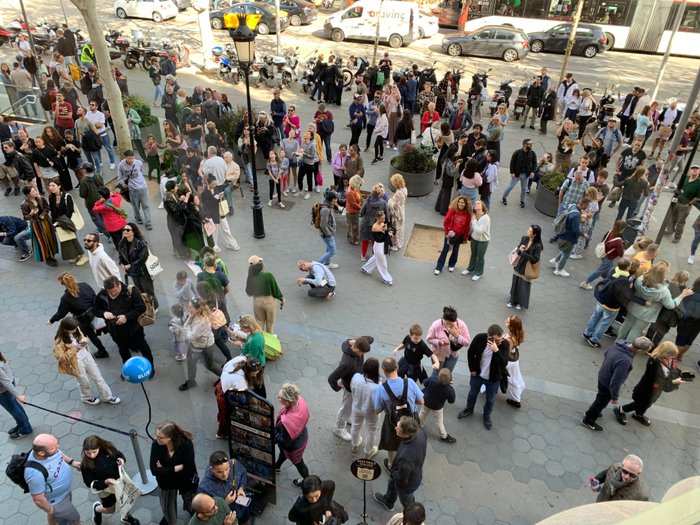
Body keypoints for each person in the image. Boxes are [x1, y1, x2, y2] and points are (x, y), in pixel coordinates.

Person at [581, 337, 654, 431]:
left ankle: (591, 412)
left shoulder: (618, 343)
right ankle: (588, 420)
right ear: (639, 350)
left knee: (600, 399)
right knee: (601, 402)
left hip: (603, 375)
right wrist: (615, 397)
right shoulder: (626, 360)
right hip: (607, 384)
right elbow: (616, 381)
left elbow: (606, 353)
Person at [617, 262, 694, 342]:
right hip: (646, 314)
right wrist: (682, 295)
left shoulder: (641, 278)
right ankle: (626, 347)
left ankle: (618, 341)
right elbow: (670, 305)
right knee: (636, 330)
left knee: (626, 325)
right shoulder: (663, 291)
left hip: (633, 307)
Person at [614, 341, 685, 427]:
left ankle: (638, 414)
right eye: (671, 355)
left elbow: (672, 370)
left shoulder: (668, 360)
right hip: (645, 390)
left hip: (655, 390)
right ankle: (621, 410)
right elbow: (657, 379)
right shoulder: (654, 361)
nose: (672, 358)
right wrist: (673, 382)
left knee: (648, 403)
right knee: (639, 403)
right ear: (665, 353)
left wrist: (681, 374)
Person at [52, 317, 119, 406]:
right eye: (72, 329)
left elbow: (82, 336)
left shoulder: (76, 329)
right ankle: (87, 397)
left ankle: (107, 396)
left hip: (86, 356)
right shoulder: (59, 342)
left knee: (98, 378)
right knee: (84, 381)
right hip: (76, 362)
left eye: (76, 328)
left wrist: (84, 340)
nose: (75, 330)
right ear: (65, 329)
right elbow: (61, 358)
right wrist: (75, 349)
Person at [94, 275, 155, 371]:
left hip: (134, 328)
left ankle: (150, 368)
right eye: (110, 292)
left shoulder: (129, 291)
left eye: (115, 290)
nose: (113, 293)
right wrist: (104, 313)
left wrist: (126, 317)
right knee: (123, 351)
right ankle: (128, 370)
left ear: (119, 285)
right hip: (115, 331)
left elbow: (141, 307)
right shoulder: (102, 295)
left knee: (143, 347)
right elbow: (96, 310)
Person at [374, 358, 424, 471]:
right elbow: (422, 401)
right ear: (397, 367)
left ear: (384, 371)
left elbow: (377, 410)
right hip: (411, 419)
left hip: (392, 422)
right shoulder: (410, 382)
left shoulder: (381, 389)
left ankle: (391, 465)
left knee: (392, 445)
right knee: (411, 440)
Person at [458, 324, 509, 430]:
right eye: (497, 340)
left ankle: (486, 415)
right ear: (489, 337)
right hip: (477, 375)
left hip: (493, 379)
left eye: (501, 339)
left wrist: (496, 351)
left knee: (490, 399)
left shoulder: (504, 345)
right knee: (472, 393)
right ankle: (469, 409)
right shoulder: (479, 338)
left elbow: (503, 363)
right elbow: (470, 353)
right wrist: (472, 369)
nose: (500, 342)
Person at [80, 435, 140, 525]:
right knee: (110, 510)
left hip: (118, 482)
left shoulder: (108, 448)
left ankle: (127, 517)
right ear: (84, 451)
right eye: (88, 453)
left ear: (99, 447)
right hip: (105, 489)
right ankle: (97, 509)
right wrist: (105, 482)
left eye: (94, 452)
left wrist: (121, 460)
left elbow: (119, 455)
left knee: (126, 502)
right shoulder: (85, 465)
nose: (91, 455)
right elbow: (89, 483)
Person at [24, 433, 82, 525]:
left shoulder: (49, 452)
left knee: (54, 517)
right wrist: (51, 510)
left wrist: (72, 462)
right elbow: (38, 499)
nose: (58, 447)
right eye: (54, 447)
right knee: (75, 521)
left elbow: (59, 454)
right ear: (41, 453)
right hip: (58, 502)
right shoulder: (34, 474)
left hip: (65, 493)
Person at [48, 271, 109, 358]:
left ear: (63, 284)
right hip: (95, 312)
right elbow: (94, 296)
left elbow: (61, 313)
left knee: (90, 335)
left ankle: (102, 351)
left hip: (83, 319)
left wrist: (51, 320)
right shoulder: (84, 285)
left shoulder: (65, 298)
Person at [373, 416, 427, 511]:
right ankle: (388, 501)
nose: (395, 429)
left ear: (406, 434)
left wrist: (393, 473)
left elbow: (402, 479)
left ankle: (410, 514)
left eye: (398, 429)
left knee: (407, 502)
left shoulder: (405, 457)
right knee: (392, 485)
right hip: (413, 472)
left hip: (406, 484)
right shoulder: (420, 433)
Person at [150, 421, 198, 525]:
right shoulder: (156, 445)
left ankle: (194, 515)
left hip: (186, 480)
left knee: (192, 503)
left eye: (160, 437)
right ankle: (170, 520)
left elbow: (189, 468)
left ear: (170, 437)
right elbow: (154, 470)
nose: (156, 439)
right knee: (168, 507)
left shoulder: (186, 444)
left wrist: (164, 469)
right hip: (166, 484)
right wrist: (175, 468)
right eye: (157, 435)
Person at [329, 335, 373, 442]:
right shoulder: (346, 363)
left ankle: (347, 418)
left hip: (355, 384)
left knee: (350, 407)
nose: (362, 355)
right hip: (349, 387)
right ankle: (339, 428)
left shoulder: (357, 345)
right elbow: (331, 378)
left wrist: (351, 341)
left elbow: (371, 339)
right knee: (345, 408)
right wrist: (338, 386)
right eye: (362, 353)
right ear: (357, 350)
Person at [178, 299, 222, 392]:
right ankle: (191, 381)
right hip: (197, 345)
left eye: (191, 307)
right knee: (191, 362)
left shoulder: (203, 321)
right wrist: (188, 324)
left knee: (210, 365)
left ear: (198, 309)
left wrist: (186, 329)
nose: (188, 309)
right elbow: (187, 325)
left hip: (204, 347)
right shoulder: (195, 314)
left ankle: (224, 377)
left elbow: (190, 336)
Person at [197, 451, 251, 525]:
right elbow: (206, 514)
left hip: (243, 509)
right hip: (228, 519)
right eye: (219, 472)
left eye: (227, 469)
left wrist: (241, 487)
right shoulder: (204, 488)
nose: (225, 474)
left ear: (229, 463)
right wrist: (225, 503)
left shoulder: (234, 464)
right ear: (211, 469)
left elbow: (243, 473)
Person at [274, 383, 310, 487]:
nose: (278, 397)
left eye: (280, 397)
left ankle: (307, 481)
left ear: (287, 402)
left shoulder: (287, 423)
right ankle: (276, 466)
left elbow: (284, 443)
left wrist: (274, 432)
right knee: (283, 453)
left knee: (299, 463)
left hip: (294, 447)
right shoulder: (299, 400)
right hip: (301, 434)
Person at [46, 178, 88, 265]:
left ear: (59, 186)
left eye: (53, 185)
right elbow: (53, 211)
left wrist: (63, 222)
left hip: (67, 221)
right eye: (50, 186)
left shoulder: (67, 196)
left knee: (73, 239)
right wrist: (55, 223)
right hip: (58, 222)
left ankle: (82, 256)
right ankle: (75, 256)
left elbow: (69, 210)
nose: (51, 187)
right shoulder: (51, 197)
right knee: (65, 240)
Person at [118, 222, 159, 310]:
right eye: (124, 229)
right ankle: (147, 305)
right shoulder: (122, 243)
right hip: (133, 272)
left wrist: (130, 265)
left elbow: (142, 258)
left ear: (134, 232)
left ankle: (154, 307)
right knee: (140, 290)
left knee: (148, 290)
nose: (125, 231)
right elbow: (121, 255)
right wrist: (121, 263)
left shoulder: (141, 243)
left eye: (128, 230)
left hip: (143, 271)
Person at [579, 220, 626, 290]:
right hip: (609, 258)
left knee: (608, 269)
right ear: (622, 229)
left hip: (604, 253)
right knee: (599, 271)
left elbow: (604, 239)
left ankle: (606, 281)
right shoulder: (618, 241)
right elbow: (621, 253)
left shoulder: (610, 231)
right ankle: (585, 282)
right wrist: (623, 246)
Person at [550, 197, 590, 277]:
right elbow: (576, 230)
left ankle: (555, 261)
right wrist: (583, 235)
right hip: (568, 237)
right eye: (588, 205)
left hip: (563, 234)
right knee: (566, 254)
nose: (588, 207)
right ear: (584, 205)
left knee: (565, 250)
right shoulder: (576, 215)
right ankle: (559, 270)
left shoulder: (573, 206)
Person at [350, 357, 381, 457]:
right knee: (371, 432)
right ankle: (368, 452)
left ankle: (355, 445)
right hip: (371, 412)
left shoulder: (356, 377)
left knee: (355, 426)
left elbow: (351, 389)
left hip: (357, 407)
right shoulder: (378, 386)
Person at [245, 255, 284, 334]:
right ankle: (269, 341)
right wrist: (281, 298)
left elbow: (249, 291)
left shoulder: (251, 277)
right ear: (260, 265)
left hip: (257, 302)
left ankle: (260, 339)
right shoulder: (268, 275)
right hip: (269, 301)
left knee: (259, 322)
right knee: (270, 324)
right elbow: (275, 289)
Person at [508, 225, 543, 309]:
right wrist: (520, 249)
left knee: (523, 285)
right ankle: (512, 300)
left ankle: (520, 302)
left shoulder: (538, 246)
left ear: (534, 234)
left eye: (530, 231)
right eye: (529, 230)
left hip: (527, 267)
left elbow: (535, 259)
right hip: (519, 264)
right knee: (515, 283)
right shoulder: (524, 238)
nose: (528, 231)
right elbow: (518, 249)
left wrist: (524, 253)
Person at [434, 196, 471, 275]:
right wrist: (447, 232)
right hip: (450, 235)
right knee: (445, 250)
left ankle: (452, 264)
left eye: (462, 203)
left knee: (455, 250)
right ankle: (439, 267)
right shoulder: (452, 210)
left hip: (459, 235)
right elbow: (446, 221)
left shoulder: (467, 214)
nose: (460, 204)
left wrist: (465, 238)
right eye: (459, 202)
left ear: (465, 204)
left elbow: (467, 227)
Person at [0, 351, 32, 439]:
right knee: (15, 407)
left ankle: (25, 429)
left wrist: (17, 396)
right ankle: (21, 424)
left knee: (14, 409)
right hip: (7, 385)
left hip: (4, 391)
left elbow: (6, 382)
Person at [419, 368, 456, 444]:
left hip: (426, 402)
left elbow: (424, 383)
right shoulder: (449, 389)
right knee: (439, 421)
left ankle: (419, 425)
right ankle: (443, 436)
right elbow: (451, 401)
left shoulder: (432, 380)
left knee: (422, 413)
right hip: (437, 407)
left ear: (438, 376)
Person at [118, 150, 152, 230]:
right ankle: (138, 218)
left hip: (143, 187)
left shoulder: (138, 163)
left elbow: (141, 172)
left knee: (146, 205)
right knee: (135, 206)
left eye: (132, 158)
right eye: (129, 158)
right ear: (125, 157)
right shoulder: (121, 165)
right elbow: (120, 177)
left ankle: (148, 222)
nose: (131, 160)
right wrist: (124, 184)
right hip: (132, 190)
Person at [361, 211, 394, 286]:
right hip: (379, 246)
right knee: (383, 263)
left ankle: (365, 269)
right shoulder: (375, 227)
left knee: (375, 258)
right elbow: (379, 239)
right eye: (382, 218)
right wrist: (386, 232)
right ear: (377, 218)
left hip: (381, 245)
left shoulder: (382, 224)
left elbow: (385, 233)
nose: (383, 220)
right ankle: (387, 279)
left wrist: (388, 232)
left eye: (384, 218)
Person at [502, 139, 537, 208]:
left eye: (531, 144)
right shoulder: (517, 152)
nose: (531, 145)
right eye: (529, 144)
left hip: (526, 175)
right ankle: (504, 197)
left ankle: (522, 201)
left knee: (524, 189)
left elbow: (534, 163)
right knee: (510, 187)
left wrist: (532, 171)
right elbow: (512, 163)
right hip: (517, 174)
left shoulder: (532, 153)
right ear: (524, 144)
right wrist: (512, 172)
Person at [669, 164, 700, 243]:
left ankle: (677, 237)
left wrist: (689, 204)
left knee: (680, 222)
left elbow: (697, 197)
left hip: (685, 205)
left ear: (699, 172)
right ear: (690, 170)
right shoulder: (686, 178)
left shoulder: (699, 183)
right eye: (693, 169)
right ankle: (670, 230)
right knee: (673, 218)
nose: (694, 170)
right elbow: (679, 187)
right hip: (677, 201)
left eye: (696, 169)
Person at [359, 183, 390, 260]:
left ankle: (363, 256)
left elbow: (361, 212)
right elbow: (387, 214)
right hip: (377, 224)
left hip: (366, 223)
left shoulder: (367, 201)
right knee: (374, 241)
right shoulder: (383, 202)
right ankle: (374, 256)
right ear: (380, 193)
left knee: (365, 241)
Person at [463, 200, 490, 280]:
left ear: (482, 207)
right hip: (474, 239)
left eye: (478, 203)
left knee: (480, 257)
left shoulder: (485, 218)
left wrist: (474, 221)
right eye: (475, 204)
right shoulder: (474, 215)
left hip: (483, 241)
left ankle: (478, 272)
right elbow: (472, 228)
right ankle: (470, 269)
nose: (476, 204)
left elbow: (480, 231)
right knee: (473, 254)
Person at [318, 190, 339, 268]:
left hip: (328, 232)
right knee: (333, 251)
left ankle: (327, 263)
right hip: (327, 234)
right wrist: (329, 234)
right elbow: (323, 225)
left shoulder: (327, 203)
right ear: (332, 199)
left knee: (328, 247)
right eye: (336, 198)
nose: (337, 200)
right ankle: (318, 264)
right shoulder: (325, 209)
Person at [346, 174, 363, 245]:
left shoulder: (352, 188)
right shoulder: (350, 192)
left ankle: (349, 236)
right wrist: (361, 208)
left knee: (351, 225)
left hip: (351, 211)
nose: (360, 186)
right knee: (354, 227)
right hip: (352, 212)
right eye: (360, 184)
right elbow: (353, 204)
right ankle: (353, 240)